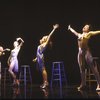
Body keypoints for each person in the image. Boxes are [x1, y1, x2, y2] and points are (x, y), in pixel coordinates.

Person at [68, 24, 100, 91]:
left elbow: (96, 32)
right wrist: (70, 28)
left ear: (88, 29)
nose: (84, 27)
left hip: (86, 52)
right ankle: (83, 84)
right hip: (80, 52)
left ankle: (99, 84)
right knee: (81, 67)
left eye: (86, 27)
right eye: (84, 26)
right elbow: (74, 32)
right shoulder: (79, 34)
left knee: (92, 67)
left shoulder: (88, 34)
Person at [33, 24, 59, 89]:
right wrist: (36, 58)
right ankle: (44, 82)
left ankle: (46, 82)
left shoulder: (45, 44)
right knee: (42, 71)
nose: (42, 38)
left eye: (43, 38)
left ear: (45, 40)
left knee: (43, 69)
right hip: (39, 58)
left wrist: (54, 29)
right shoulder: (41, 45)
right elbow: (38, 53)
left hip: (41, 59)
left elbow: (49, 36)